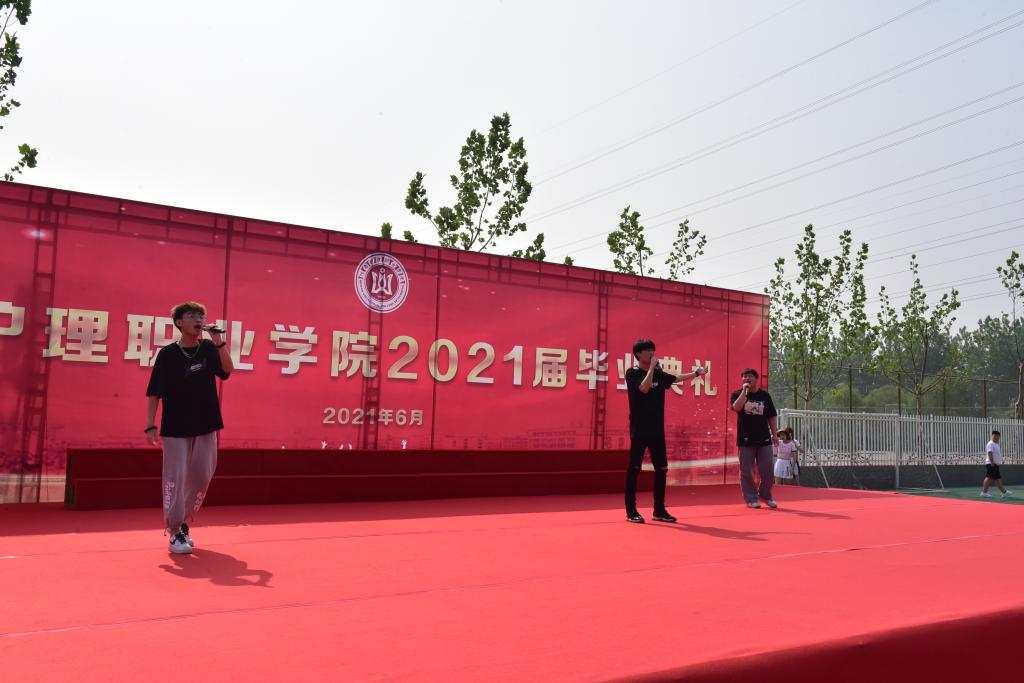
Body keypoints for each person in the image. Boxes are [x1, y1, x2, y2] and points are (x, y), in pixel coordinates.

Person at [145, 301, 233, 554]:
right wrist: (150, 424)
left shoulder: (208, 347)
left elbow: (227, 370)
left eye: (201, 316)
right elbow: (155, 391)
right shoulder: (168, 354)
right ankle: (174, 531)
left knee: (202, 475)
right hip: (176, 425)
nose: (198, 319)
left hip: (206, 423)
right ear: (179, 322)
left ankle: (182, 521)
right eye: (192, 315)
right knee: (176, 477)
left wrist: (218, 341)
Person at [624, 339, 707, 524]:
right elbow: (644, 388)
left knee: (662, 469)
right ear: (638, 354)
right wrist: (652, 369)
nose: (651, 353)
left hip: (656, 429)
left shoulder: (659, 374)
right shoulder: (632, 373)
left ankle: (659, 510)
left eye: (652, 350)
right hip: (639, 429)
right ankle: (631, 510)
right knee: (635, 468)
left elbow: (675, 378)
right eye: (647, 350)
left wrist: (695, 373)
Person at [730, 368, 779, 509]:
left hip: (764, 438)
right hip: (746, 439)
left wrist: (774, 434)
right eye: (745, 376)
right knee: (746, 471)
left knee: (768, 469)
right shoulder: (737, 394)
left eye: (750, 376)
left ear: (756, 379)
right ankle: (751, 498)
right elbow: (736, 408)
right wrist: (744, 392)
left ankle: (765, 495)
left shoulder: (764, 395)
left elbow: (772, 415)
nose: (747, 379)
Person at [981, 430, 1012, 498]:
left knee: (997, 479)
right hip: (991, 464)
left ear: (999, 437)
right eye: (994, 436)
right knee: (989, 478)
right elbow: (990, 453)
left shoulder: (996, 444)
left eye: (997, 436)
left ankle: (1004, 492)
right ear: (992, 436)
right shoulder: (991, 443)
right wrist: (992, 462)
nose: (996, 437)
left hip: (995, 464)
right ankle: (984, 492)